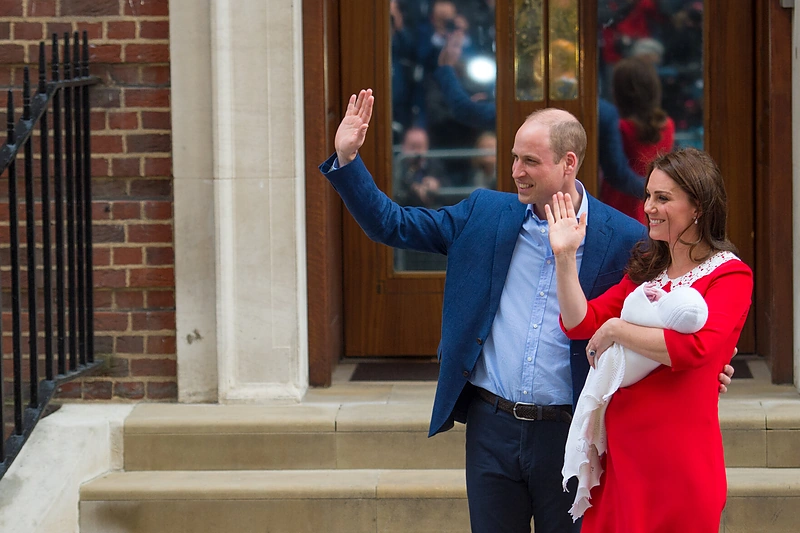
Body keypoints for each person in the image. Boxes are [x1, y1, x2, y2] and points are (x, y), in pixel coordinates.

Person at [320, 89, 733, 533]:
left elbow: (663, 313)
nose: (516, 171)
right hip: (491, 428)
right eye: (515, 158)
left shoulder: (624, 237)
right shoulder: (484, 213)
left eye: (530, 161)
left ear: (568, 163)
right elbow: (392, 224)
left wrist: (707, 368)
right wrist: (348, 159)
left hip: (573, 433)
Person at [547, 147, 752, 532]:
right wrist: (564, 257)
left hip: (677, 463)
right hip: (621, 461)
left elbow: (695, 349)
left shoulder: (730, 276)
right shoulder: (647, 270)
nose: (648, 207)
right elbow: (580, 323)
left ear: (698, 207)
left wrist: (617, 330)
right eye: (648, 195)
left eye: (663, 198)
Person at [601, 56, 674, 223]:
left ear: (618, 92)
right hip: (655, 206)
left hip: (618, 205)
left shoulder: (620, 127)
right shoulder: (667, 125)